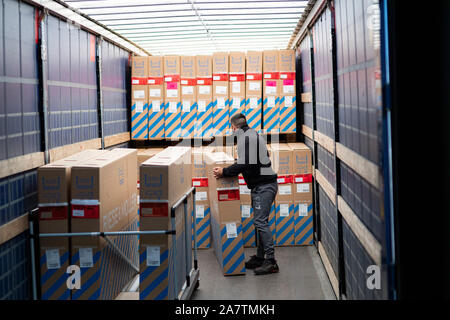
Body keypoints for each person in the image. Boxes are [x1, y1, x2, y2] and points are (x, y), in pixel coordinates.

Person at [213, 113, 279, 275]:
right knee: (259, 222)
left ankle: (271, 261)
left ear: (234, 127)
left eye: (231, 128)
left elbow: (245, 163)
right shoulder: (253, 135)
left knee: (261, 222)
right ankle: (260, 257)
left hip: (264, 186)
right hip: (260, 185)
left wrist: (224, 171)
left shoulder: (246, 139)